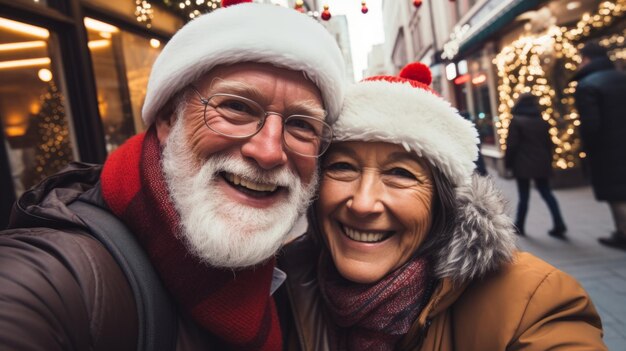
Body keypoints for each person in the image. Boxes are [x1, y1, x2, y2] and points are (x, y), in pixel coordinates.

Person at [0, 1, 346, 349]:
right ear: (168, 118)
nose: (269, 151)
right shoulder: (64, 275)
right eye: (236, 106)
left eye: (301, 125)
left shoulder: (297, 269)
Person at [277, 62, 607, 350]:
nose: (363, 204)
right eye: (343, 167)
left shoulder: (530, 301)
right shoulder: (279, 283)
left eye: (400, 173)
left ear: (443, 200)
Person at [572, 41, 626, 251]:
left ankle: (623, 233)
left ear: (586, 59)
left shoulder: (587, 85)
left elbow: (591, 125)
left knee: (617, 194)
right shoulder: (622, 77)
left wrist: (586, 150)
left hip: (607, 151)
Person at [504, 93, 567, 238]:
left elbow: (511, 146)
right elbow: (549, 144)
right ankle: (559, 223)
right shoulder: (542, 121)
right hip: (541, 162)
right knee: (546, 193)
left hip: (522, 164)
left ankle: (520, 226)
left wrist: (508, 165)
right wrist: (549, 162)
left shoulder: (517, 121)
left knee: (524, 196)